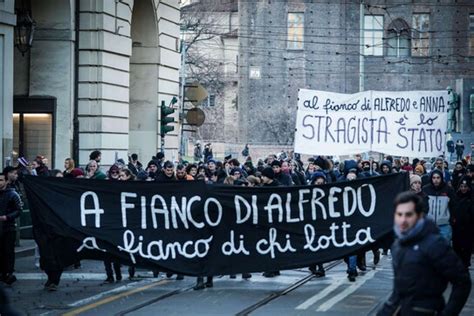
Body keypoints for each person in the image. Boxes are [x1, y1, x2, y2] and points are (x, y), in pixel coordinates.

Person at [378, 191, 471, 315]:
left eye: (408, 215)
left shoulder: (435, 244)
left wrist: (448, 313)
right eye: (399, 214)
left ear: (419, 215)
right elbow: (399, 291)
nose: (403, 220)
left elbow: (462, 281)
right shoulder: (398, 245)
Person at [0, 170, 23, 286]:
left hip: (8, 228)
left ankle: (8, 273)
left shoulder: (12, 194)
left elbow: (19, 210)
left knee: (8, 251)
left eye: (1, 180)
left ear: (5, 181)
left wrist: (7, 217)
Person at [422, 169, 457, 243]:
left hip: (444, 225)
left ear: (441, 178)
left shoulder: (448, 189)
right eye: (434, 178)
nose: (436, 180)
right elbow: (422, 206)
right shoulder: (425, 189)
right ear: (431, 178)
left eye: (438, 178)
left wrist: (452, 219)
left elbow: (454, 205)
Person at [452, 177, 474, 268]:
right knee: (457, 249)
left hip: (469, 229)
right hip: (457, 228)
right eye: (462, 186)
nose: (463, 188)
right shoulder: (456, 196)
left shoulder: (472, 197)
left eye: (465, 186)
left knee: (466, 250)